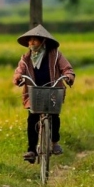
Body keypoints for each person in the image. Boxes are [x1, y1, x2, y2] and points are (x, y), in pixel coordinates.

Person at [12, 24, 75, 164]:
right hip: (34, 91)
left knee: (54, 116)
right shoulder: (26, 58)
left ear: (43, 42)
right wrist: (18, 77)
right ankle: (32, 150)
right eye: (30, 40)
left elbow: (67, 68)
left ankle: (54, 143)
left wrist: (68, 76)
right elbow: (19, 70)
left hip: (52, 90)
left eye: (35, 40)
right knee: (32, 118)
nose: (31, 43)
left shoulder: (55, 54)